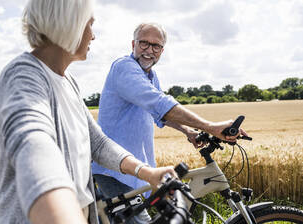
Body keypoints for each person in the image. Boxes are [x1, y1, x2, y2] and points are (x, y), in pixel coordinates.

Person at [0, 0, 176, 224]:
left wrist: (146, 172)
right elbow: (33, 145)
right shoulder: (24, 76)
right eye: (90, 24)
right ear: (67, 24)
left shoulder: (67, 80)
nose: (93, 34)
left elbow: (98, 144)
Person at [92, 23, 248, 223]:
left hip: (135, 167)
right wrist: (210, 126)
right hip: (115, 169)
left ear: (162, 50)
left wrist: (188, 131)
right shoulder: (124, 67)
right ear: (133, 44)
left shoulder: (150, 75)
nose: (149, 50)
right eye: (144, 44)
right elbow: (159, 103)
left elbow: (159, 113)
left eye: (155, 46)